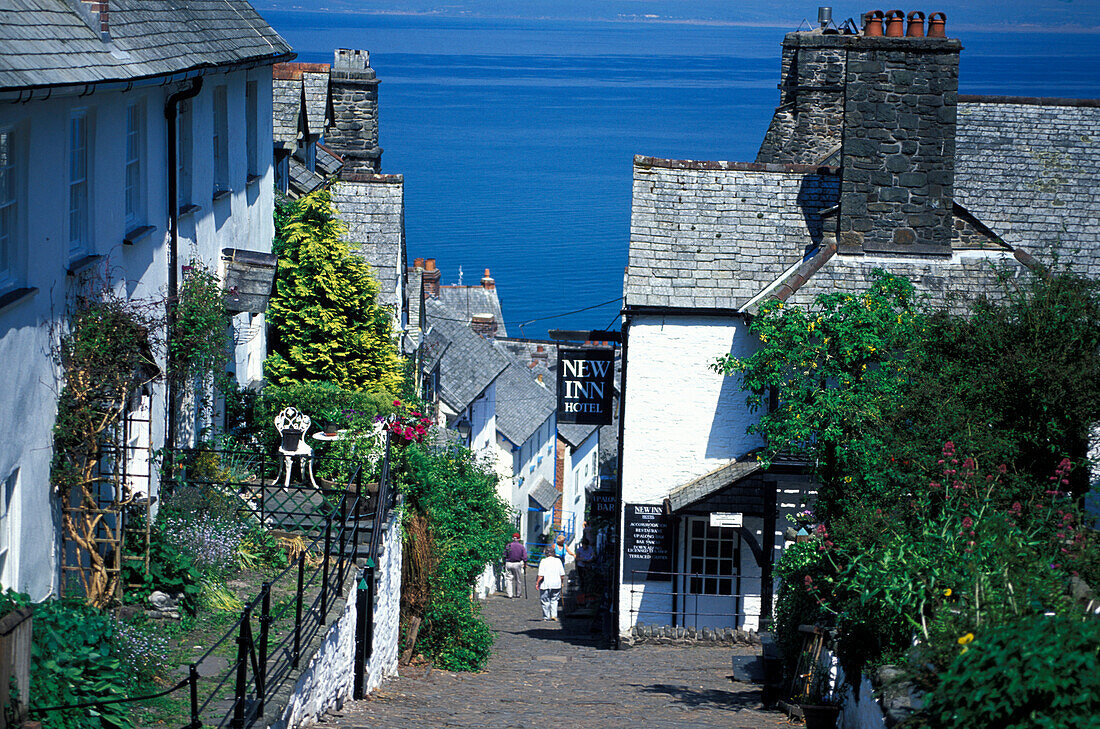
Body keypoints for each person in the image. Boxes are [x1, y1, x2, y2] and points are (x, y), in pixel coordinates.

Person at [536, 549, 566, 621]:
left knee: (545, 600)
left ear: (546, 554)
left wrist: (537, 583)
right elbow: (562, 574)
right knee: (554, 600)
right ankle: (554, 615)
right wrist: (562, 582)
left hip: (545, 584)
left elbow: (541, 575)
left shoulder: (543, 561)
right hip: (556, 583)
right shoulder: (558, 561)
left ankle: (546, 616)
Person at [503, 533, 527, 599]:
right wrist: (525, 563)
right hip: (517, 563)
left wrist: (504, 561)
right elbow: (525, 557)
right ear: (519, 539)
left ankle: (510, 594)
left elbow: (504, 554)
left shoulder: (508, 545)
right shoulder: (521, 546)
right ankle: (518, 593)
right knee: (518, 579)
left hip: (509, 563)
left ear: (512, 538)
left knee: (509, 579)